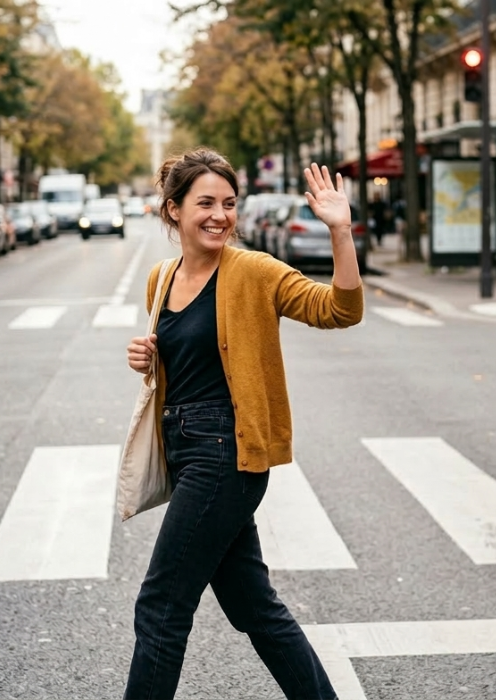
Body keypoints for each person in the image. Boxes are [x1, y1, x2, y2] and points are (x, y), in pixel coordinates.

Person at [123, 149, 362, 700]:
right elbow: (185, 362)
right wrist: (145, 357)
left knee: (161, 605)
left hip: (227, 452)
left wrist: (341, 233)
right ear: (173, 211)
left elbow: (340, 310)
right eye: (204, 202)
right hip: (184, 449)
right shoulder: (161, 279)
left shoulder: (253, 271)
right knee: (254, 607)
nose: (219, 215)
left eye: (228, 204)